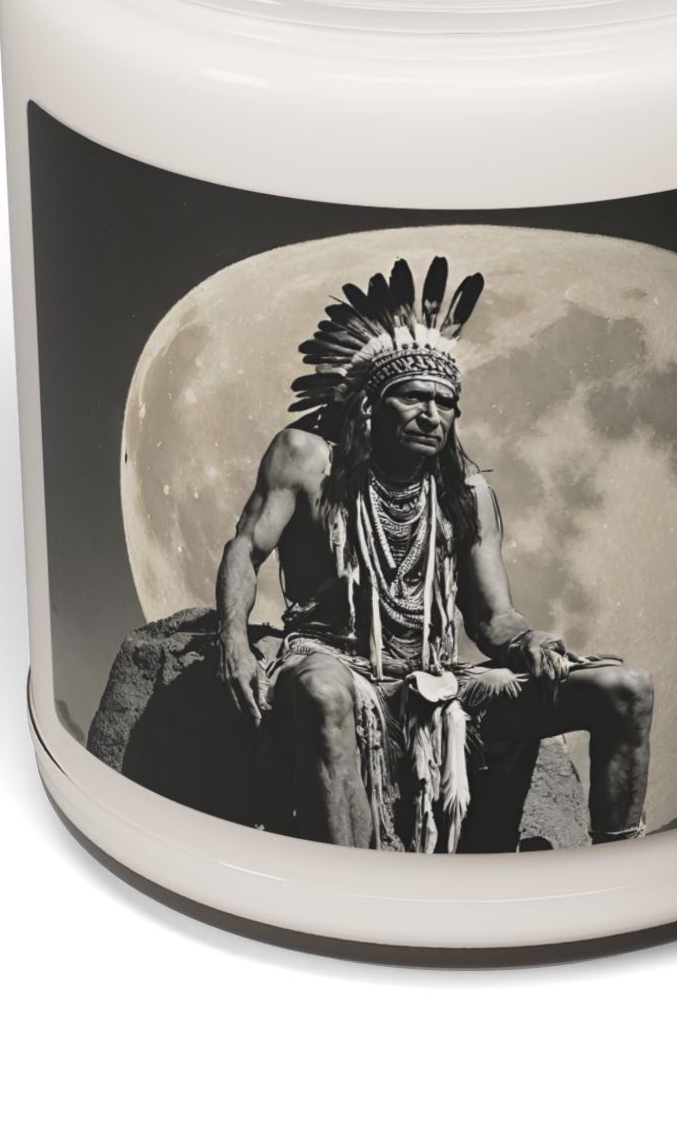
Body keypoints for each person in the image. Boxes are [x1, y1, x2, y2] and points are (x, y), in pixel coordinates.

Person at [214, 256, 654, 851]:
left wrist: (530, 641)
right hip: (333, 662)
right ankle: (352, 887)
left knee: (627, 687)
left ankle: (617, 866)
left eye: (445, 403)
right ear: (369, 405)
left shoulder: (466, 496)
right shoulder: (308, 460)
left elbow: (493, 617)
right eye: (414, 398)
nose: (431, 415)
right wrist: (234, 645)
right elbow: (245, 549)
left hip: (435, 682)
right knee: (322, 690)